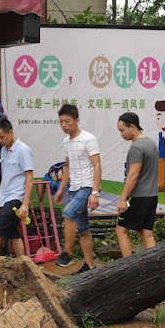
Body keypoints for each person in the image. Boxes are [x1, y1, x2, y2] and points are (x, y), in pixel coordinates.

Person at [54, 104, 102, 273]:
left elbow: (97, 165)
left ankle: (67, 253)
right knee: (83, 229)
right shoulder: (66, 142)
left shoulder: (88, 138)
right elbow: (67, 167)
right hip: (74, 189)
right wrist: (61, 189)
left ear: (77, 121)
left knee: (68, 213)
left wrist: (95, 192)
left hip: (87, 187)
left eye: (67, 121)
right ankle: (90, 266)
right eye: (61, 121)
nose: (64, 125)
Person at [115, 112, 159, 258]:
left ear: (132, 127)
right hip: (152, 195)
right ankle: (154, 267)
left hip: (140, 196)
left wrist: (123, 198)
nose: (121, 134)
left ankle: (128, 267)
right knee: (147, 233)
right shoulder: (151, 143)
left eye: (122, 130)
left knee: (121, 230)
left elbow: (133, 175)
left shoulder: (136, 147)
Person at [0, 119, 33, 258]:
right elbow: (6, 177)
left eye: (2, 137)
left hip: (16, 199)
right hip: (5, 198)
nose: (0, 140)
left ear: (11, 132)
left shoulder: (23, 150)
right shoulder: (3, 150)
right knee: (12, 233)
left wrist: (25, 204)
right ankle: (26, 264)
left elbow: (29, 178)